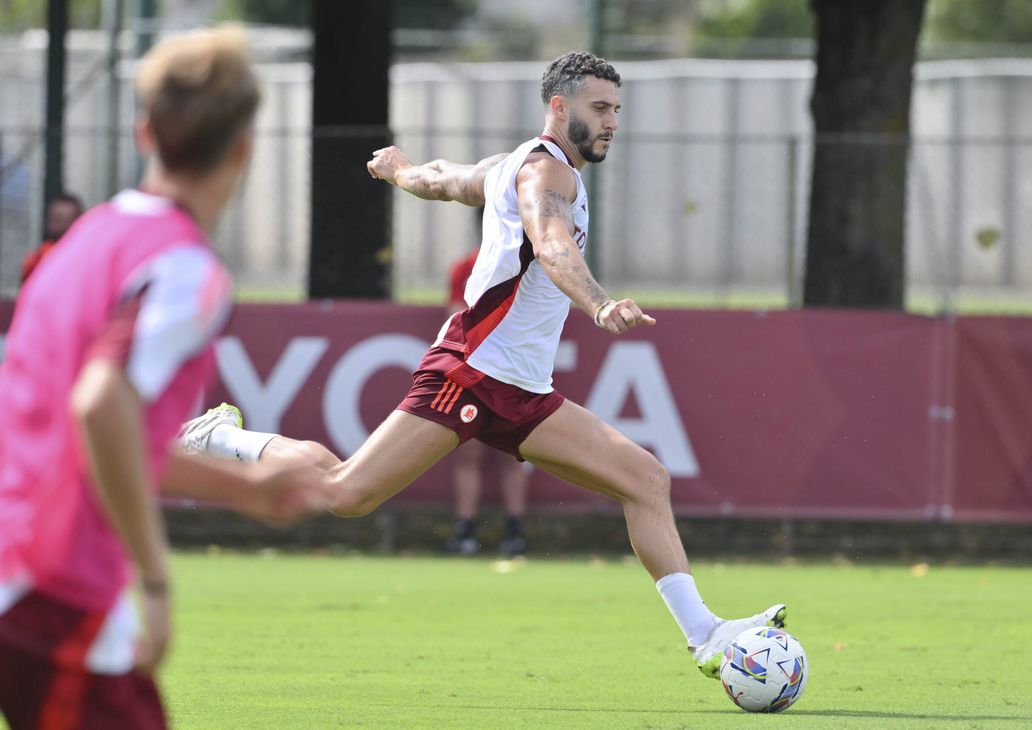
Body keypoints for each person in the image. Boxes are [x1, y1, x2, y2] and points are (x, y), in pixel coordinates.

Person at [181, 51, 785, 683]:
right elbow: (551, 245)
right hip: (470, 373)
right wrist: (600, 305)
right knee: (345, 495)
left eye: (616, 110)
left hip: (522, 391)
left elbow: (445, 179)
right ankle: (220, 436)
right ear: (559, 107)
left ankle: (705, 636)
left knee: (646, 480)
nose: (611, 122)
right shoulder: (546, 176)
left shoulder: (510, 167)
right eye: (600, 108)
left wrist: (401, 169)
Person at [0, 28, 333, 729]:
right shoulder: (185, 269)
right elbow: (100, 407)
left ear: (143, 130)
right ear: (243, 149)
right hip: (51, 581)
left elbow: (91, 431)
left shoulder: (82, 238)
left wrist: (242, 487)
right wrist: (156, 577)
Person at [444, 220, 531, 557]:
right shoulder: (471, 266)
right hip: (491, 371)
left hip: (500, 372)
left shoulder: (471, 265)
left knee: (506, 454)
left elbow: (458, 318)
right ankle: (487, 532)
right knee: (480, 453)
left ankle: (504, 532)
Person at [20, 191, 83, 284]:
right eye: (59, 219)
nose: (64, 224)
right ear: (48, 221)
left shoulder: (89, 258)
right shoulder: (37, 259)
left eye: (70, 219)